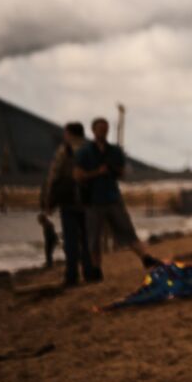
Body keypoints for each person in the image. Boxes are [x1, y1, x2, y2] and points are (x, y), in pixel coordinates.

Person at [74, 117, 162, 278]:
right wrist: (97, 173)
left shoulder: (114, 151)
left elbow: (121, 172)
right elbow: (78, 176)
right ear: (93, 130)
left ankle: (146, 258)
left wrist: (111, 170)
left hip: (112, 197)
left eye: (105, 129)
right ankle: (96, 270)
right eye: (100, 129)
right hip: (93, 200)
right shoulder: (85, 152)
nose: (103, 131)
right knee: (94, 237)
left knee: (127, 231)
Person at [40, 122, 93, 287]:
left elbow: (53, 176)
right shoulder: (91, 149)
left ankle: (72, 276)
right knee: (87, 238)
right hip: (89, 200)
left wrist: (48, 201)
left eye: (65, 133)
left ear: (69, 133)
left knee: (71, 239)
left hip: (69, 200)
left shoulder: (65, 150)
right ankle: (90, 272)